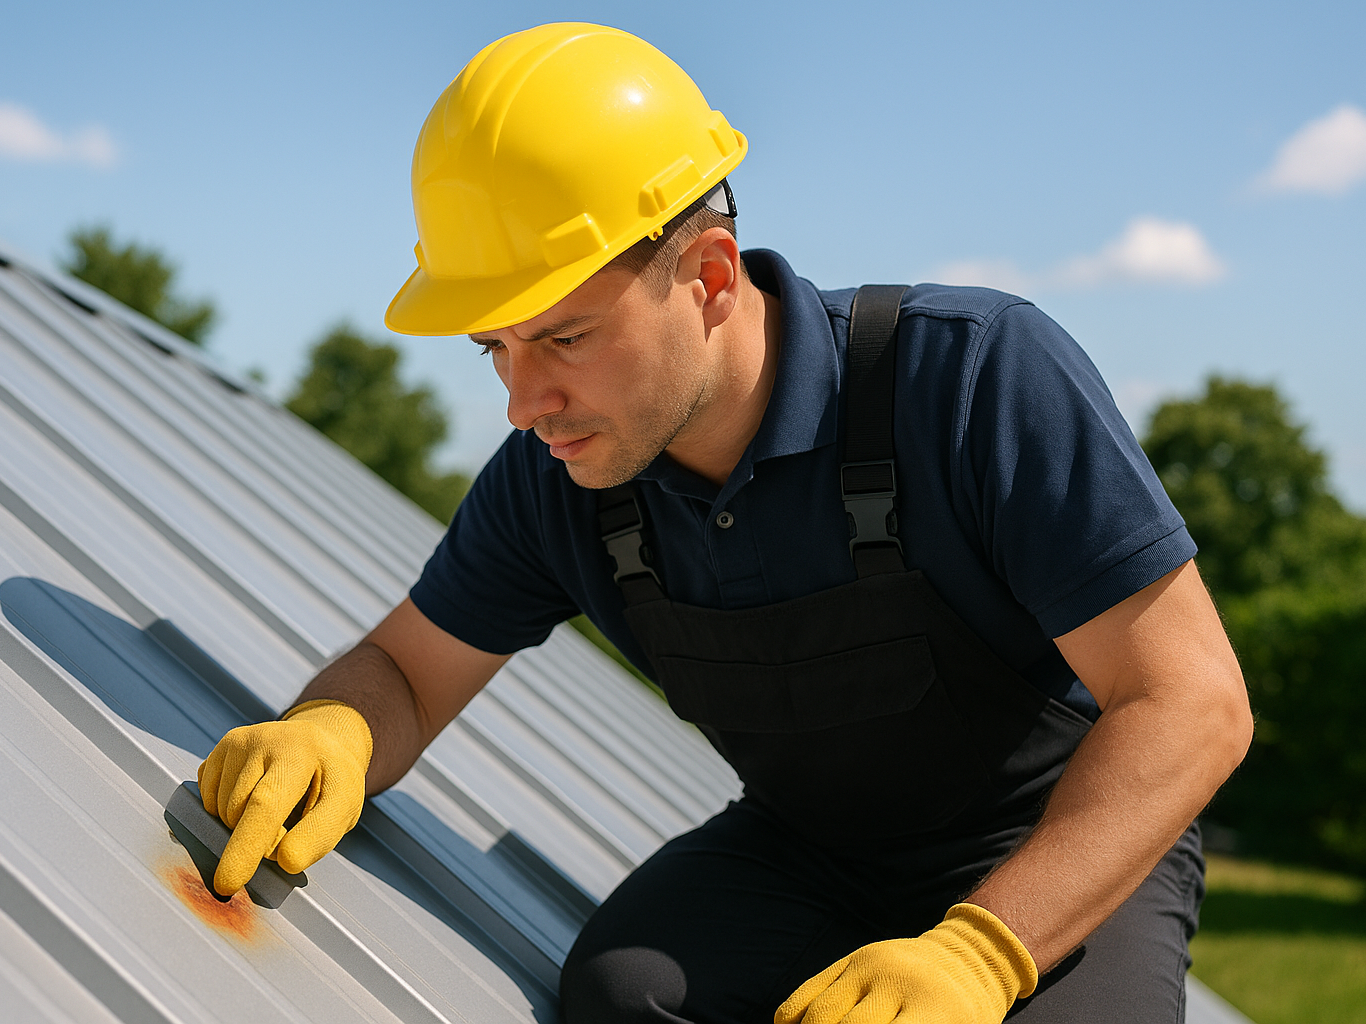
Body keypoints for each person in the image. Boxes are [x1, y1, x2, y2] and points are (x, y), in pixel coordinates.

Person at [197, 22, 1252, 1024]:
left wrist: (979, 950)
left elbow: (1191, 700)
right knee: (625, 992)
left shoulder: (971, 377)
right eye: (495, 349)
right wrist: (333, 724)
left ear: (707, 277)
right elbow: (409, 671)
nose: (524, 404)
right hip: (814, 850)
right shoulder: (559, 479)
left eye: (563, 338)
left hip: (1055, 843)